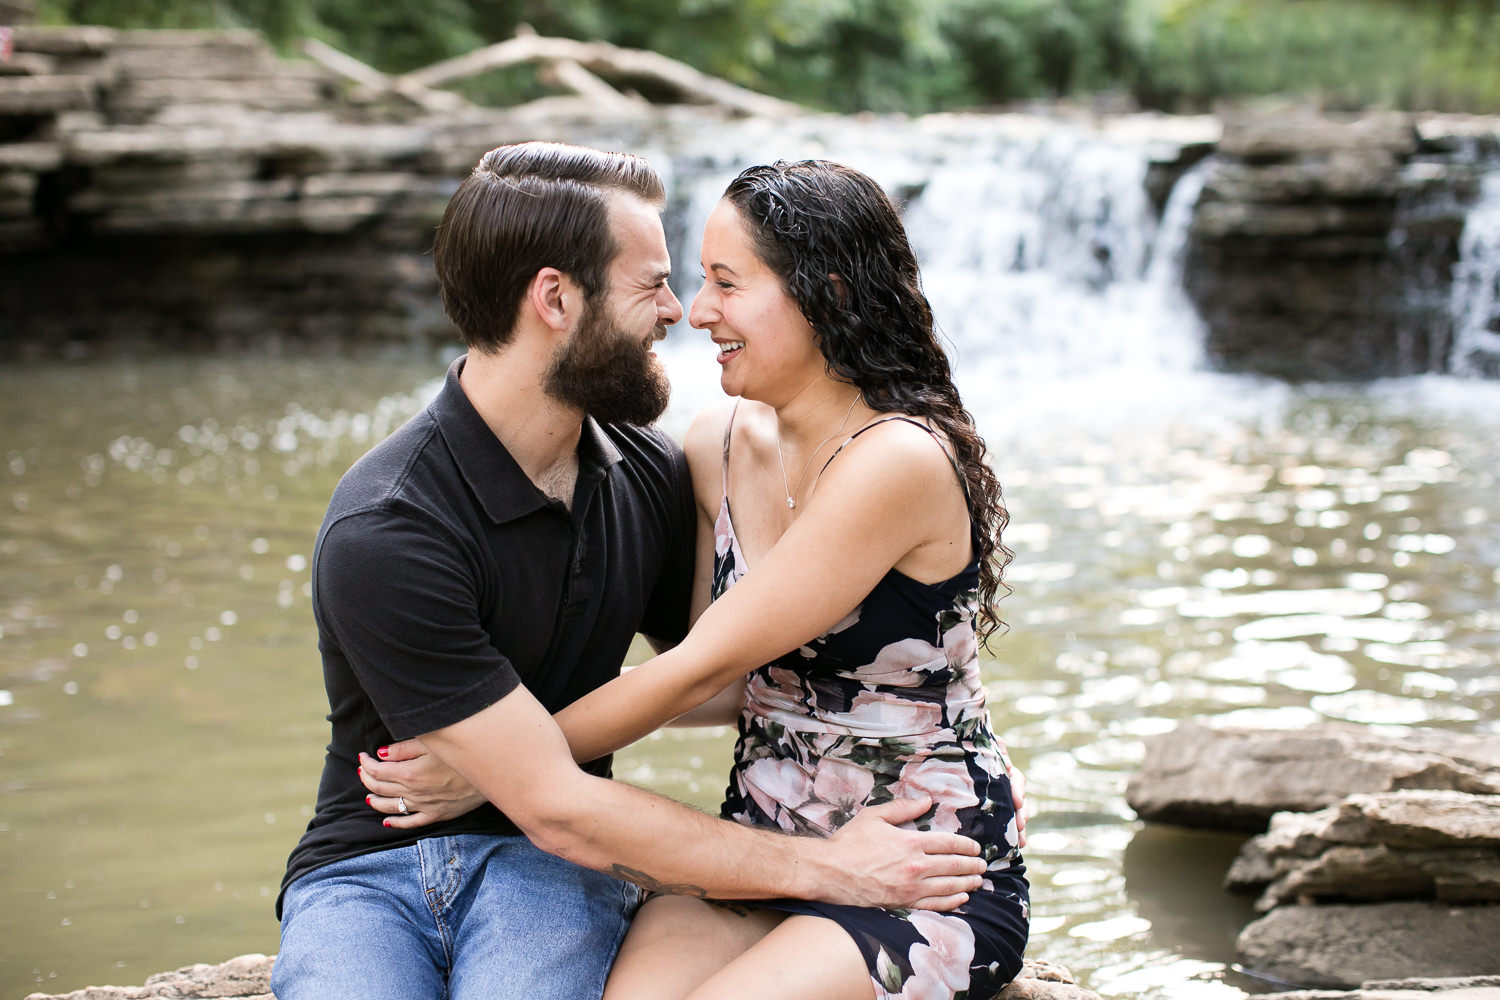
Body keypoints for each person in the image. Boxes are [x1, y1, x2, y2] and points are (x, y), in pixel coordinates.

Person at [270, 142, 990, 1000]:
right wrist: (523, 769)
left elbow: (716, 675)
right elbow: (695, 697)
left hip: (586, 858)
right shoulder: (389, 526)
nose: (682, 312)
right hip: (371, 867)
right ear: (555, 299)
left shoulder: (652, 476)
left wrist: (502, 763)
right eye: (656, 284)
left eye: (719, 283)